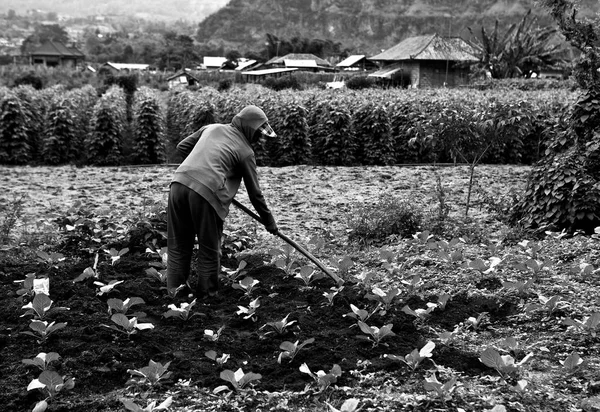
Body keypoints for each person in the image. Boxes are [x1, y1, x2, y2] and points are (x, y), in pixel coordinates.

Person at [167, 105, 279, 300]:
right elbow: (255, 194)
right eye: (258, 133)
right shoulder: (246, 152)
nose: (259, 138)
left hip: (178, 184)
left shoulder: (211, 128)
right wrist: (269, 222)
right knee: (209, 249)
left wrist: (201, 168)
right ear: (249, 128)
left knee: (178, 245)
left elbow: (182, 147)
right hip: (207, 194)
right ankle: (207, 298)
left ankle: (175, 295)